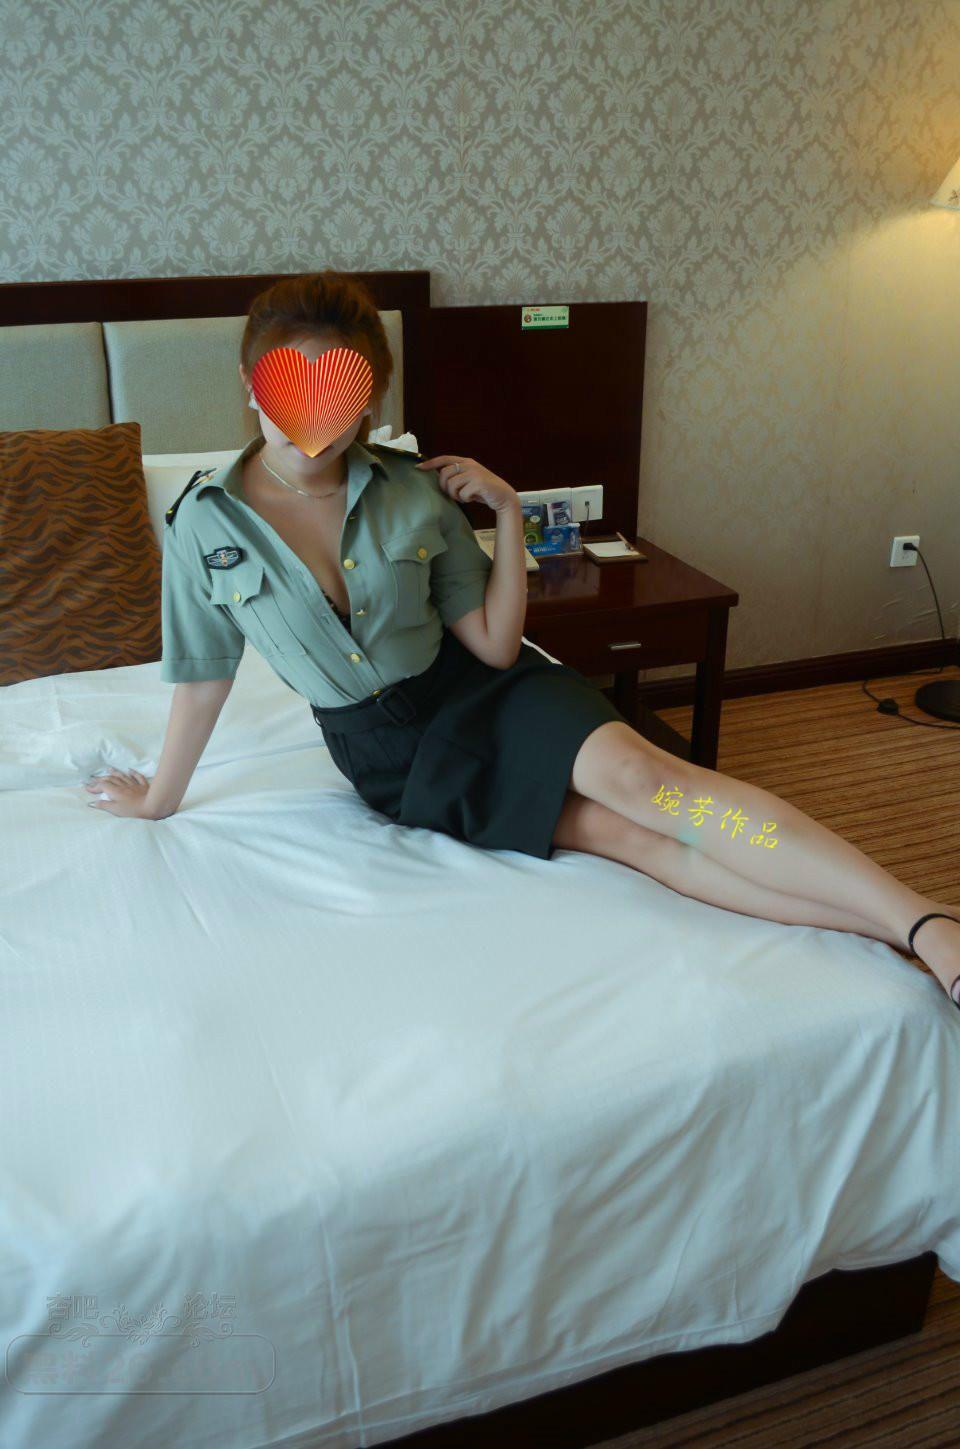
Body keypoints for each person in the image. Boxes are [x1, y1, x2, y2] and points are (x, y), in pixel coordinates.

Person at [85, 270, 960, 1010]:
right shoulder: (203, 525)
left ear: (370, 401)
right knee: (636, 841)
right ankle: (903, 928)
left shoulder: (412, 490)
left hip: (482, 689)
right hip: (391, 758)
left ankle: (920, 919)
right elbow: (204, 675)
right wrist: (160, 796)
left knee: (654, 784)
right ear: (251, 386)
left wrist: (506, 511)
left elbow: (497, 648)